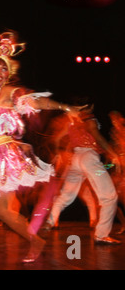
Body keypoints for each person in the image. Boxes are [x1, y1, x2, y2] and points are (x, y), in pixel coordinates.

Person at [0, 31, 83, 265]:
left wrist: (64, 107)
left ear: (9, 73)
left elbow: (37, 102)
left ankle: (35, 240)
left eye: (4, 69)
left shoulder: (11, 93)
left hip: (1, 158)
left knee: (2, 211)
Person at [45, 104, 121, 244]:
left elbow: (55, 139)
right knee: (109, 197)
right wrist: (112, 154)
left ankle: (48, 223)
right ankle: (101, 235)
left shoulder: (71, 120)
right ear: (91, 106)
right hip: (89, 158)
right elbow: (96, 134)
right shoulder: (89, 118)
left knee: (66, 196)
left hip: (76, 160)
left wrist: (57, 154)